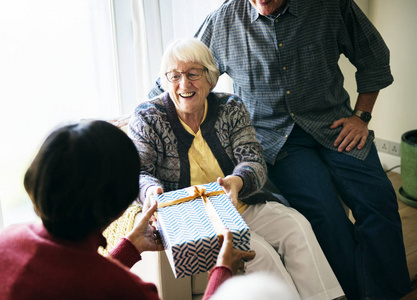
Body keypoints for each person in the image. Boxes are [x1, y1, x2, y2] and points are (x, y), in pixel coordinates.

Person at [148, 1, 411, 299]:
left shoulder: (330, 6)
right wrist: (143, 115)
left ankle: (387, 294)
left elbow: (374, 57)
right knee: (324, 214)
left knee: (379, 199)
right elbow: (182, 71)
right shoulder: (223, 20)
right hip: (278, 139)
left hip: (335, 124)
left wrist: (361, 117)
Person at [132, 37, 344, 299]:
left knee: (296, 225)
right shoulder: (148, 116)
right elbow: (138, 172)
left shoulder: (230, 107)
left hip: (240, 202)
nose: (184, 84)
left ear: (210, 78)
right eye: (174, 76)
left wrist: (238, 181)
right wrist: (152, 191)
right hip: (195, 220)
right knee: (260, 252)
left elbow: (253, 158)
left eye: (193, 74)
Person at [0, 120, 253, 299]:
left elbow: (77, 283)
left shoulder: (8, 239)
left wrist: (131, 247)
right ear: (119, 203)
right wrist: (223, 272)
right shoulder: (129, 291)